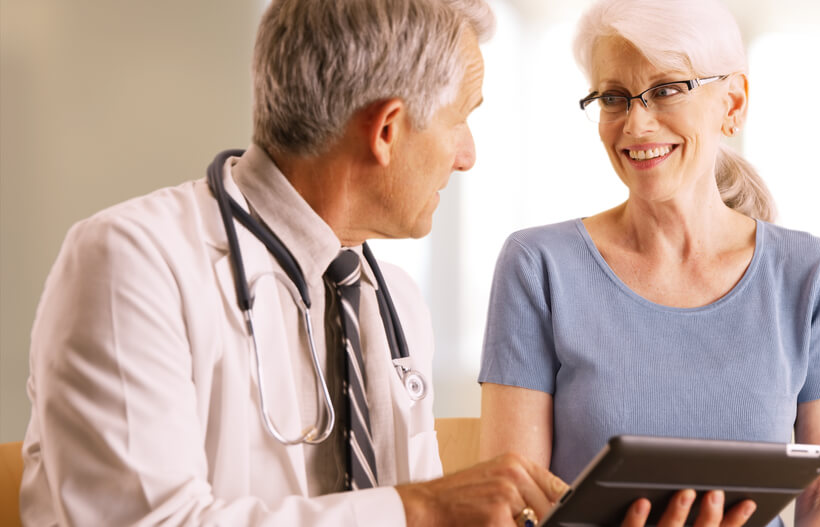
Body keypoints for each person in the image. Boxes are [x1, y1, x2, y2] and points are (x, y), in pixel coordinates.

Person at [19, 1, 574, 525]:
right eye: (460, 120)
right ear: (387, 130)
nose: (467, 156)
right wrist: (419, 509)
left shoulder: (394, 300)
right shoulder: (132, 263)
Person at [478, 0, 820, 526]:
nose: (636, 124)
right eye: (614, 97)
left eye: (665, 90)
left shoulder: (815, 277)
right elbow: (511, 505)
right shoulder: (538, 266)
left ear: (732, 103)